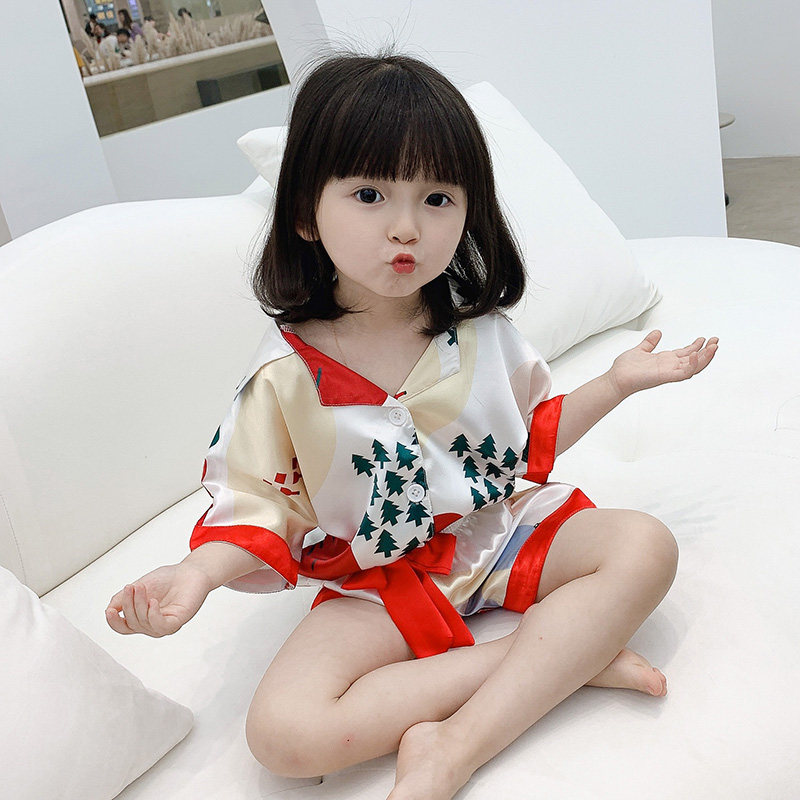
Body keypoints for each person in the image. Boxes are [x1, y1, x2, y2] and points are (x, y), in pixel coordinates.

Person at [105, 50, 719, 799]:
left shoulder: (480, 333)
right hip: (379, 577)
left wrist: (616, 383)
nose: (406, 228)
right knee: (284, 735)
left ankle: (453, 747)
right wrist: (195, 575)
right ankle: (561, 658)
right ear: (304, 212)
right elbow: (261, 507)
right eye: (369, 194)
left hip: (500, 530)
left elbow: (525, 444)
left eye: (437, 198)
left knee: (643, 546)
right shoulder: (284, 377)